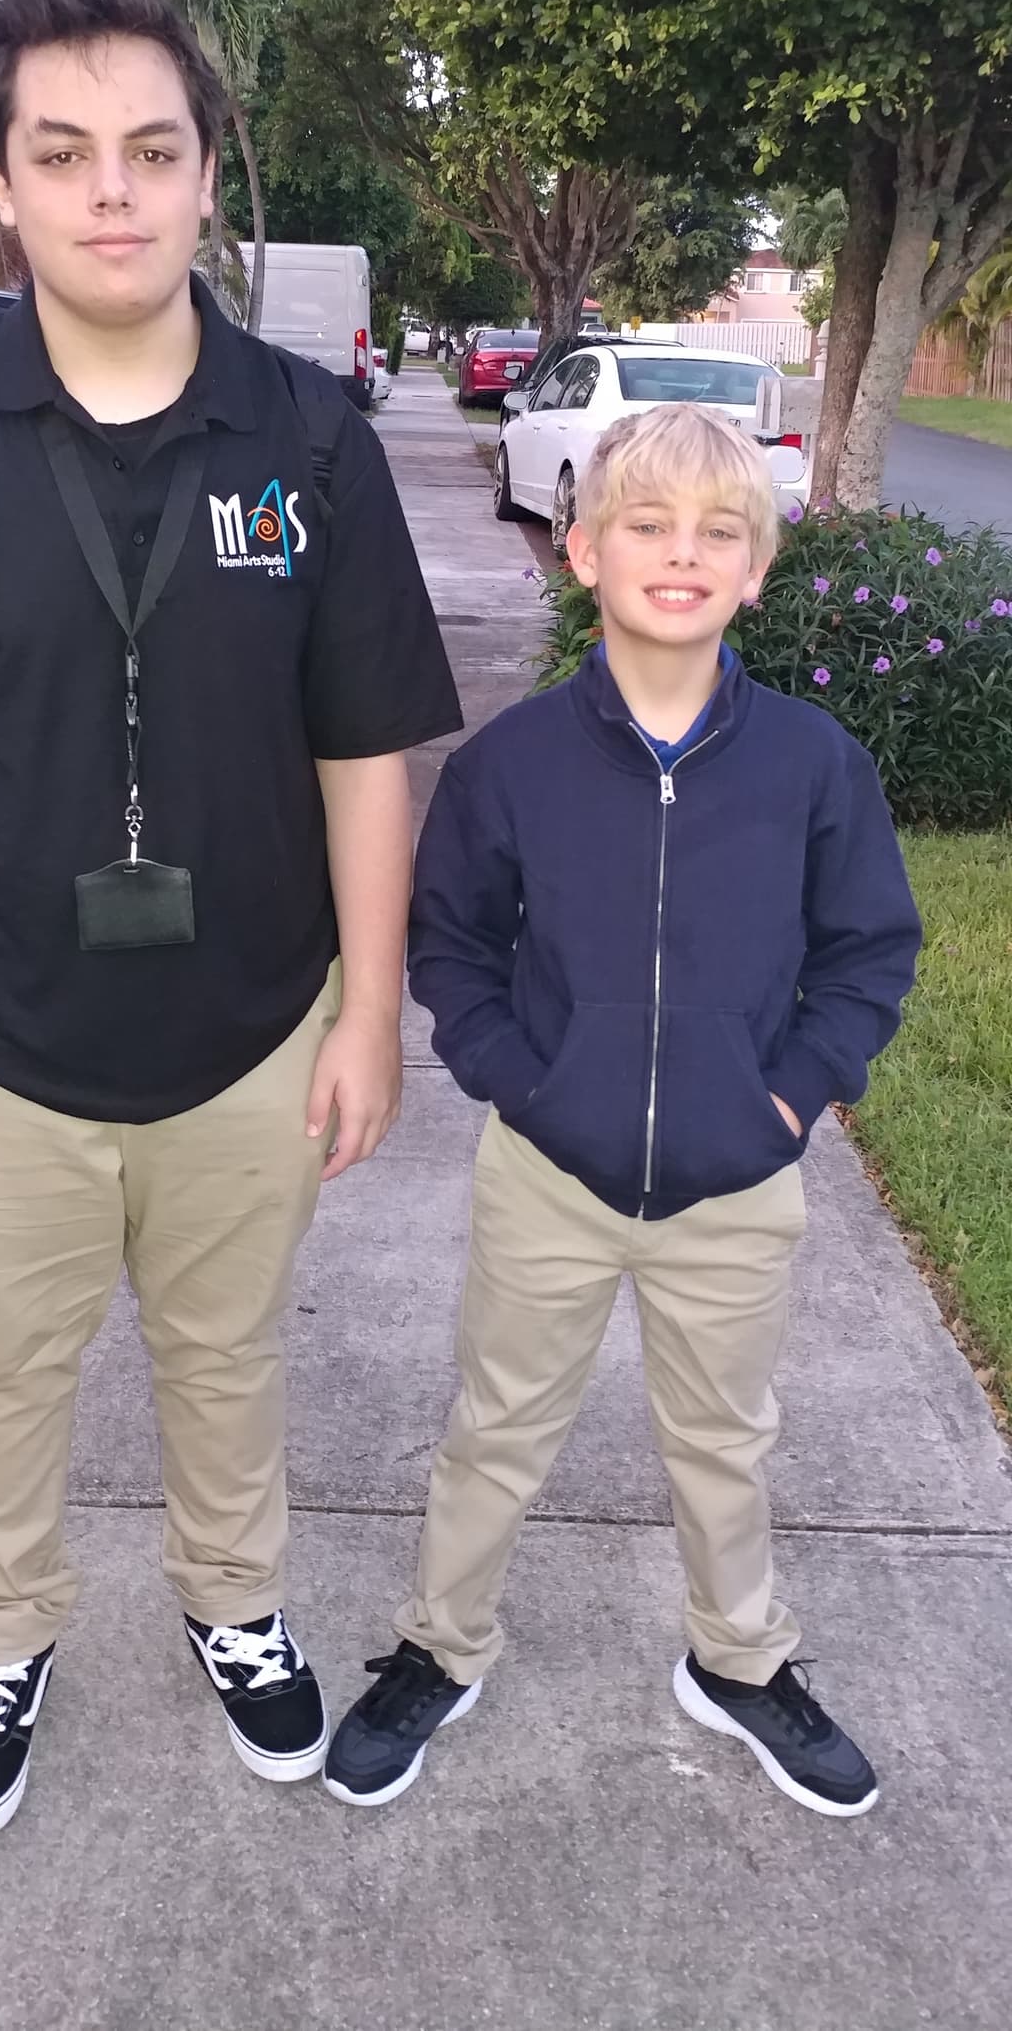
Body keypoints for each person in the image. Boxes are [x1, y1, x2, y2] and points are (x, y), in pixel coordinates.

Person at [0, 0, 461, 1841]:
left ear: (207, 169)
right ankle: (6, 1632)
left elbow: (367, 747)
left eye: (152, 150)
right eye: (61, 153)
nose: (112, 194)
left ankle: (237, 1606)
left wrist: (368, 1011)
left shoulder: (307, 443)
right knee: (2, 1364)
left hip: (247, 1028)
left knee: (228, 1354)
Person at [324, 403, 920, 1818]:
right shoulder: (514, 764)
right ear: (581, 551)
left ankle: (739, 1659)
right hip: (550, 1172)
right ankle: (440, 1644)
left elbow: (867, 952)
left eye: (721, 531)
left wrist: (785, 1102)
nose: (682, 553)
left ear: (758, 571)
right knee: (498, 1424)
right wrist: (522, 1082)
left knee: (726, 1437)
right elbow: (452, 945)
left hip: (736, 1177)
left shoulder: (813, 768)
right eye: (646, 524)